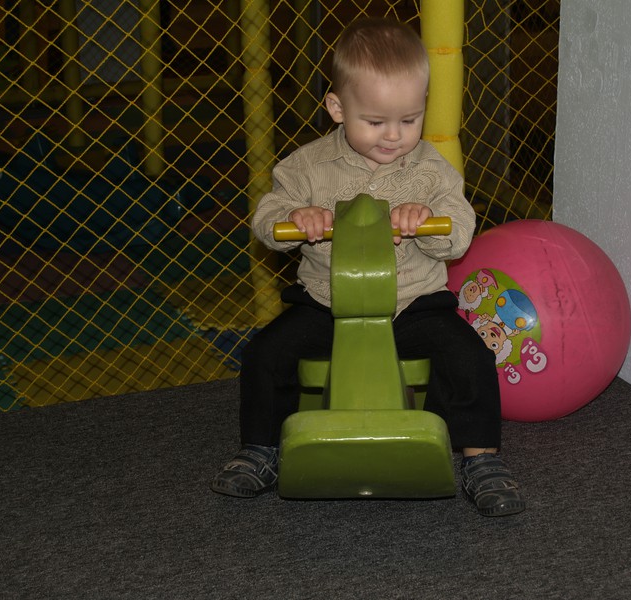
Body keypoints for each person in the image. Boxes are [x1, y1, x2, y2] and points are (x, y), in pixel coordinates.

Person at [211, 18, 526, 517]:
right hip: (326, 301)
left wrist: (427, 219)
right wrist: (296, 218)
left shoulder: (432, 170)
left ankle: (480, 457)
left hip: (413, 303)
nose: (394, 135)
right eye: (376, 122)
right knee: (266, 354)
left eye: (409, 119)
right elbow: (267, 219)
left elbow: (460, 232)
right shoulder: (306, 167)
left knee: (469, 356)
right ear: (338, 109)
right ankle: (261, 449)